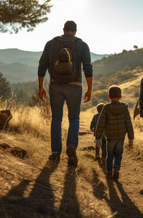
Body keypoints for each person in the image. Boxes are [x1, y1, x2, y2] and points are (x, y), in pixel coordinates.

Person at [38, 20, 93, 166]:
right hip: (75, 86)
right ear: (75, 31)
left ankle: (55, 153)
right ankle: (71, 146)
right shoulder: (82, 45)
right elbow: (88, 67)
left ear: (63, 29)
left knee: (56, 118)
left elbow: (42, 65)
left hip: (55, 85)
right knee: (74, 119)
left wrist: (41, 86)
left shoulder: (51, 43)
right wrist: (89, 89)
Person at [95, 85, 134, 180]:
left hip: (110, 136)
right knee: (118, 154)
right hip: (121, 136)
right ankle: (116, 167)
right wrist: (131, 138)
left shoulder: (106, 108)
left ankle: (109, 172)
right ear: (120, 97)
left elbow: (101, 123)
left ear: (109, 97)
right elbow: (128, 123)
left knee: (110, 155)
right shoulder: (124, 108)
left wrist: (98, 138)